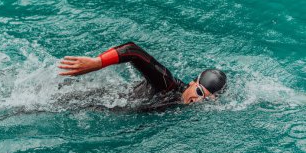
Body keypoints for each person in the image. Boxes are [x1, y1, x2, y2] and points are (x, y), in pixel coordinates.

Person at [58, 42, 226, 108]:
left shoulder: (184, 106)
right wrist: (97, 63)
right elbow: (133, 50)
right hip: (88, 99)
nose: (198, 100)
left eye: (205, 99)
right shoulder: (167, 84)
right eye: (199, 92)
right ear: (191, 83)